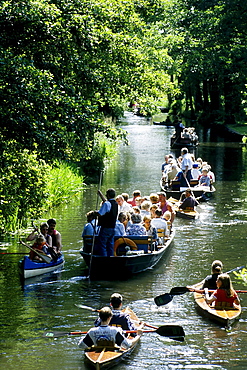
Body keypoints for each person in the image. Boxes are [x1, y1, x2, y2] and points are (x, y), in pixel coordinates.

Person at [94, 188, 118, 257]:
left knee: (102, 244)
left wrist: (95, 213)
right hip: (112, 227)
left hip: (106, 227)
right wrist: (100, 194)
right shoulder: (115, 203)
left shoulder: (107, 204)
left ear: (108, 195)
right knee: (110, 245)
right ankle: (110, 258)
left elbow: (100, 214)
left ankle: (104, 259)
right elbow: (106, 203)